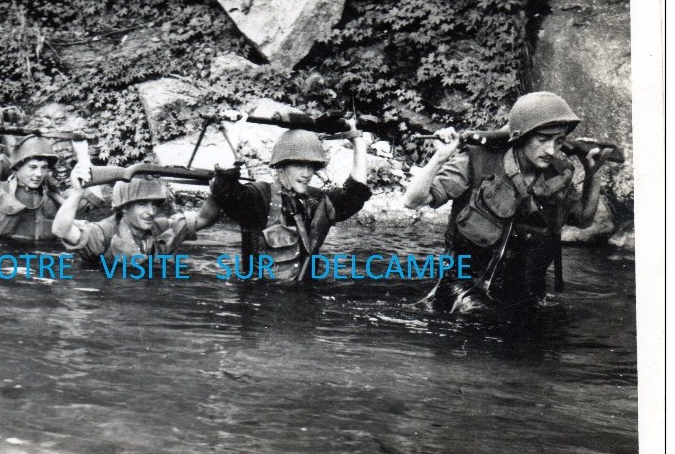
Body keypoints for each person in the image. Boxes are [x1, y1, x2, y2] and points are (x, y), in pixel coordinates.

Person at [402, 91, 609, 314]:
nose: (551, 150)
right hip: (462, 293)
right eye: (542, 140)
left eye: (558, 141)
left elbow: (584, 220)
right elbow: (413, 201)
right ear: (521, 136)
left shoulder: (558, 174)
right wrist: (440, 158)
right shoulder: (476, 161)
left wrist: (593, 172)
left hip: (525, 297)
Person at [208, 120, 372, 282]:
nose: (307, 174)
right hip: (260, 301)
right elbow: (224, 191)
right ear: (280, 166)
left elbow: (355, 194)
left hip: (306, 299)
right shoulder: (259, 197)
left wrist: (358, 141)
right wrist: (232, 131)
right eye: (299, 166)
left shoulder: (318, 201)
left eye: (311, 166)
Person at [52, 165, 215, 262]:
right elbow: (61, 230)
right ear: (124, 207)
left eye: (154, 204)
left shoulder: (162, 228)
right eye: (142, 204)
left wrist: (219, 189)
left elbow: (204, 218)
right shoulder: (102, 234)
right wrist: (77, 193)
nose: (151, 212)